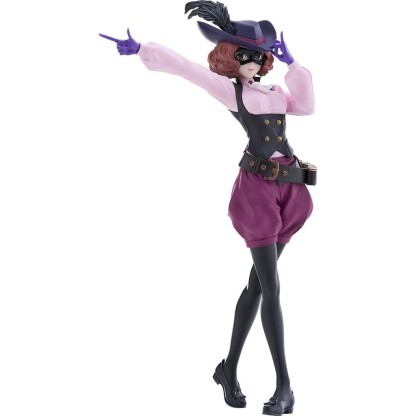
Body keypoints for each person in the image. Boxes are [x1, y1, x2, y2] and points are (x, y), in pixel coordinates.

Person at [100, 1, 316, 414]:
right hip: (258, 195)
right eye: (245, 56)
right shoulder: (233, 91)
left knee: (258, 286)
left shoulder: (274, 94)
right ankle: (284, 387)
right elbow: (188, 69)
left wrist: (294, 64)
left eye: (259, 56)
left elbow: (306, 106)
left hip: (289, 191)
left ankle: (227, 369)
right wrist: (143, 49)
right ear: (231, 58)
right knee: (270, 287)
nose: (254, 63)